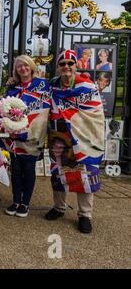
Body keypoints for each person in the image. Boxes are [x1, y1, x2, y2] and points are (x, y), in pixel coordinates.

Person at [45, 49, 105, 234]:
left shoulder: (87, 86)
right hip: (59, 135)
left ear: (76, 66)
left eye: (70, 63)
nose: (66, 67)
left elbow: (95, 112)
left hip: (83, 136)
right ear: (58, 68)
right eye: (62, 64)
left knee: (85, 173)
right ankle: (59, 207)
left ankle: (85, 214)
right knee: (58, 172)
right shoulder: (52, 85)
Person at [0, 55, 50, 218]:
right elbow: (3, 107)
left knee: (28, 170)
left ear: (32, 66)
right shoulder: (13, 88)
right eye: (19, 66)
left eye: (26, 65)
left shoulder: (44, 84)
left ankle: (25, 203)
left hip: (33, 135)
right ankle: (15, 200)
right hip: (15, 135)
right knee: (16, 169)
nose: (23, 68)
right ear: (16, 70)